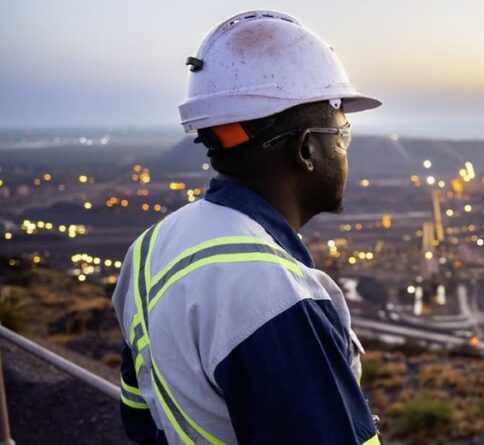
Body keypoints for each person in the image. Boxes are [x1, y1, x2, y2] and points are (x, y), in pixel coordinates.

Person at [111, 10, 382, 445]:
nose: (346, 148)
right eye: (342, 133)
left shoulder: (150, 249)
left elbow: (141, 415)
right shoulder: (273, 293)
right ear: (307, 149)